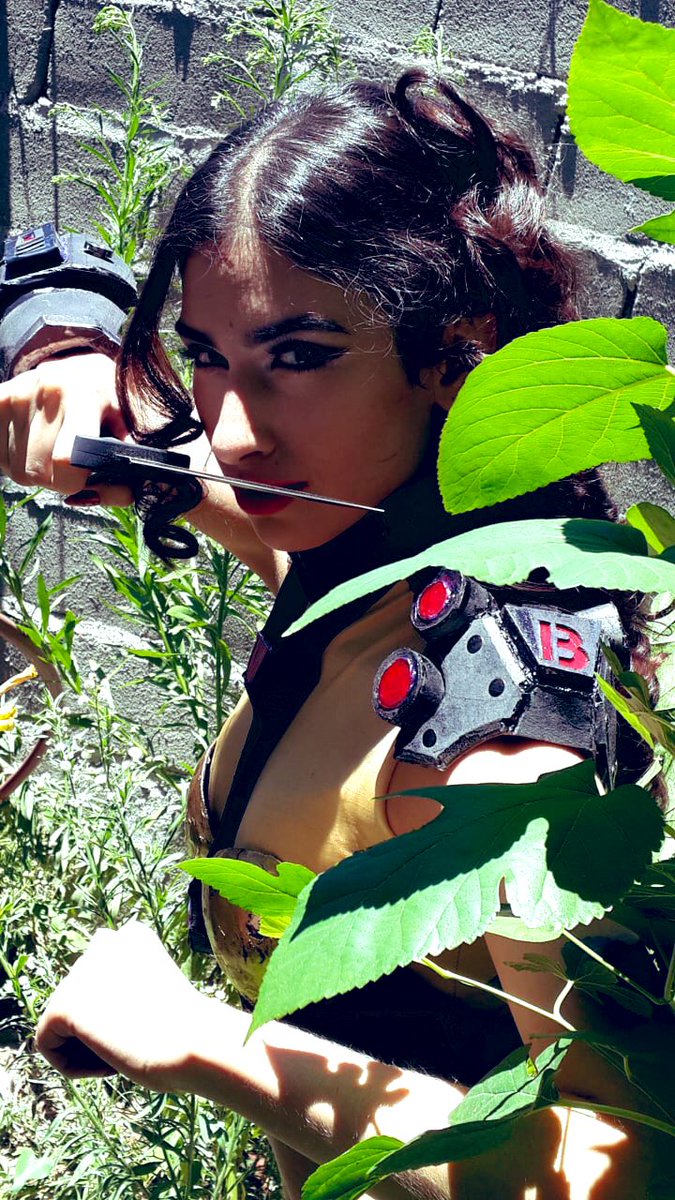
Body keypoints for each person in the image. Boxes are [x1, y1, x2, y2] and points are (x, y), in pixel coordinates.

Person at [0, 70, 662, 1197]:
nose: (230, 429)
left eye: (298, 356)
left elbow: (622, 1167)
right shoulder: (359, 541)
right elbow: (77, 321)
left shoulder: (498, 748)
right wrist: (57, 352)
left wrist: (198, 1044)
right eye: (207, 354)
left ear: (457, 352)